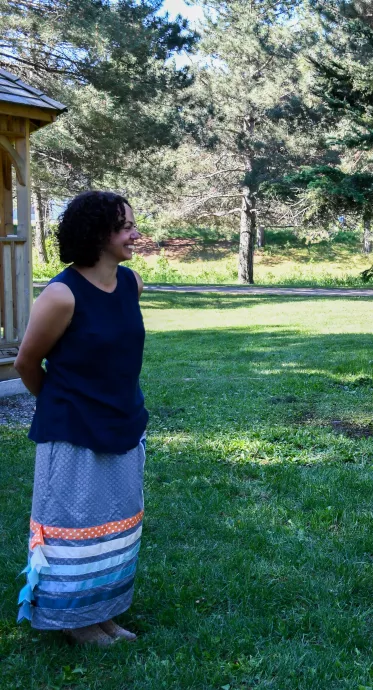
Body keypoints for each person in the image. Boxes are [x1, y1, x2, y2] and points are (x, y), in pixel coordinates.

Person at [14, 191, 148, 644]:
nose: (135, 232)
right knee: (75, 529)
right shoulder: (61, 295)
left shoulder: (131, 283)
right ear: (98, 233)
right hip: (72, 430)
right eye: (125, 225)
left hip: (122, 423)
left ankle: (103, 612)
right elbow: (27, 364)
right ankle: (74, 620)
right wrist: (62, 403)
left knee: (113, 526)